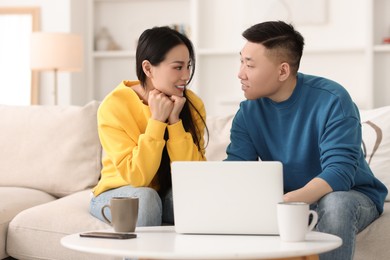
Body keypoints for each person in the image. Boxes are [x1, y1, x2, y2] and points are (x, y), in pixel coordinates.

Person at [225, 21, 388, 260]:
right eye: (241, 61)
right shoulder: (247, 112)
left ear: (283, 71)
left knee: (336, 204)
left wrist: (284, 202)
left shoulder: (333, 99)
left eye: (249, 65)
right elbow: (238, 169)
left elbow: (340, 173)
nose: (240, 73)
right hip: (289, 200)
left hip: (351, 194)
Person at [90, 26, 208, 226]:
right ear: (148, 68)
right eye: (178, 67)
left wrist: (175, 122)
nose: (186, 75)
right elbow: (138, 177)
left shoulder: (192, 104)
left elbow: (193, 176)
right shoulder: (114, 106)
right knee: (145, 199)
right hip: (120, 192)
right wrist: (156, 122)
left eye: (188, 66)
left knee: (198, 198)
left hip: (163, 193)